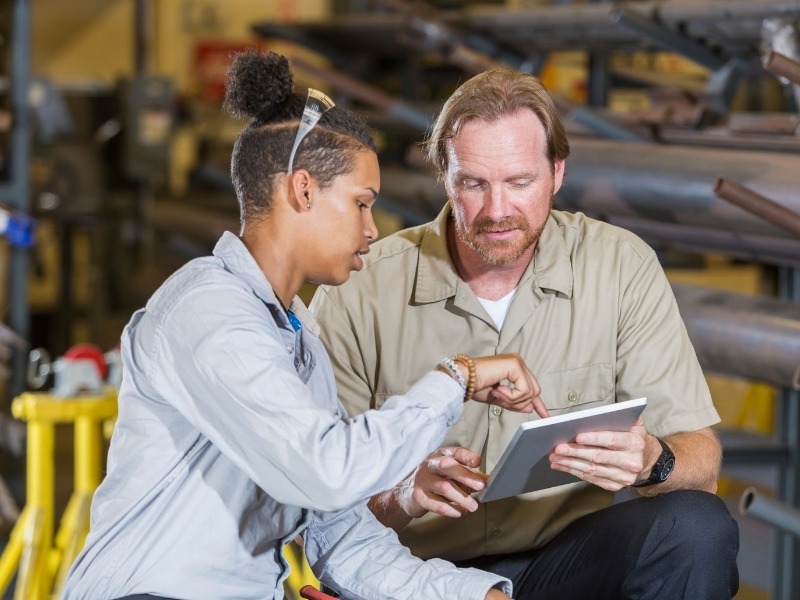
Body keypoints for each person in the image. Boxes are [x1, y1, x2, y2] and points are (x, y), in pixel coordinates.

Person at [62, 51, 550, 600]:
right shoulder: (206, 311)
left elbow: (342, 536)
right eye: (362, 203)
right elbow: (326, 468)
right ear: (303, 190)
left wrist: (479, 596)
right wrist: (456, 377)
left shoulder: (298, 344)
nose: (371, 230)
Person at [310, 66, 740, 599]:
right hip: (415, 572)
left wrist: (652, 460)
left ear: (557, 172)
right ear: (444, 173)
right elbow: (318, 503)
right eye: (474, 183)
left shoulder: (619, 265)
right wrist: (406, 493)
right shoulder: (360, 288)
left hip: (565, 559)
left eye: (520, 182)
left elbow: (702, 462)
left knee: (696, 527)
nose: (497, 211)